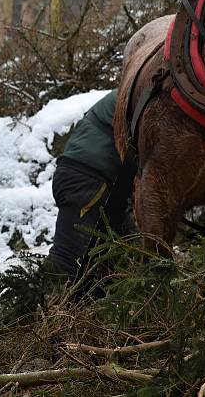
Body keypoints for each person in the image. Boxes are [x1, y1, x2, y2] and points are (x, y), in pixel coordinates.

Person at [47, 90, 136, 277]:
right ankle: (46, 303)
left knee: (115, 257)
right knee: (67, 262)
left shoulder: (133, 90)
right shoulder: (141, 92)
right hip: (86, 179)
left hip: (83, 175)